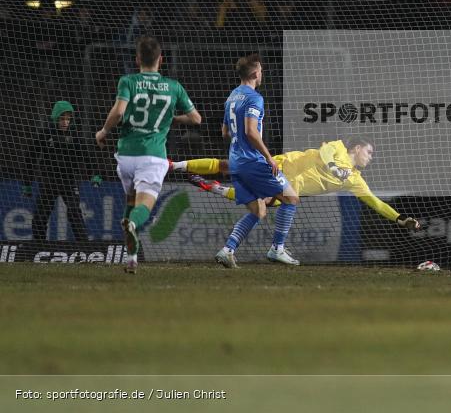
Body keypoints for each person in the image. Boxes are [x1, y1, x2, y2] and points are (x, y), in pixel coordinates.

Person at [95, 37, 201, 273]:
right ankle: (133, 224)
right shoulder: (174, 87)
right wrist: (173, 118)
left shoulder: (128, 81)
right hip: (152, 156)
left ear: (137, 59)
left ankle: (131, 258)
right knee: (143, 207)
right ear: (160, 60)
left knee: (131, 201)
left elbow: (119, 111)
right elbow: (196, 119)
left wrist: (103, 131)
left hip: (125, 156)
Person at [170, 137, 420, 231]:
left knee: (261, 205)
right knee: (229, 166)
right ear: (357, 148)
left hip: (288, 188)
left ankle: (210, 187)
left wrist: (399, 218)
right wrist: (334, 167)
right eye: (369, 151)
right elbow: (325, 154)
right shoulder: (339, 147)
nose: (371, 156)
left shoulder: (355, 180)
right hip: (283, 165)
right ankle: (175, 165)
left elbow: (375, 203)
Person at [214, 54, 300, 268]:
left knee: (258, 211)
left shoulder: (232, 96)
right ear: (254, 73)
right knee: (291, 198)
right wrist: (269, 158)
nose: (262, 74)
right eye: (260, 70)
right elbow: (251, 131)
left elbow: (224, 131)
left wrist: (239, 140)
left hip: (235, 162)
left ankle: (227, 250)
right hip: (252, 160)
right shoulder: (255, 97)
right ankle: (277, 248)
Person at [28, 101, 101, 242]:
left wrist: (95, 174)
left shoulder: (75, 136)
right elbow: (30, 157)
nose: (65, 122)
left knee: (74, 212)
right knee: (40, 216)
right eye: (62, 119)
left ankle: (84, 247)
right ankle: (39, 246)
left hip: (69, 181)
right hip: (49, 181)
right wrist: (27, 183)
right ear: (55, 118)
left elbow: (87, 156)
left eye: (68, 119)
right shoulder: (45, 134)